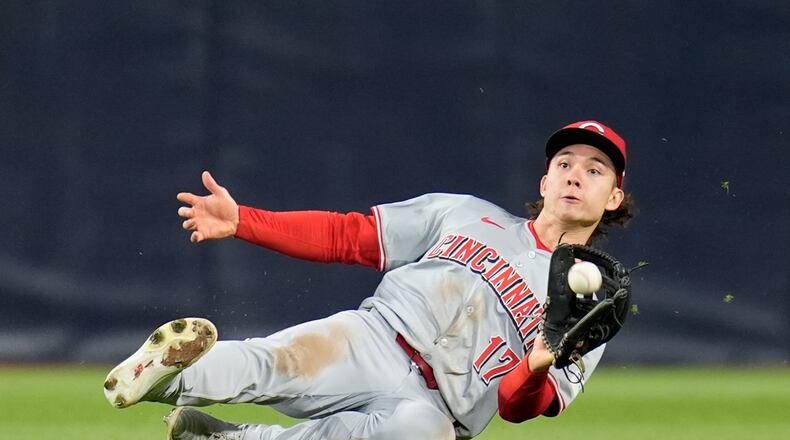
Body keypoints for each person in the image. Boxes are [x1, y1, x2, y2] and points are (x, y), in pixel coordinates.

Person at [103, 120, 635, 440]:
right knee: (270, 363)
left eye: (595, 169)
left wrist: (538, 364)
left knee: (426, 435)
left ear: (613, 199)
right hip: (375, 337)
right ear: (544, 181)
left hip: (436, 411)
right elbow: (349, 236)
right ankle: (161, 375)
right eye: (565, 162)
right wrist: (245, 221)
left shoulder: (591, 313)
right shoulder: (467, 214)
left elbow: (516, 409)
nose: (575, 174)